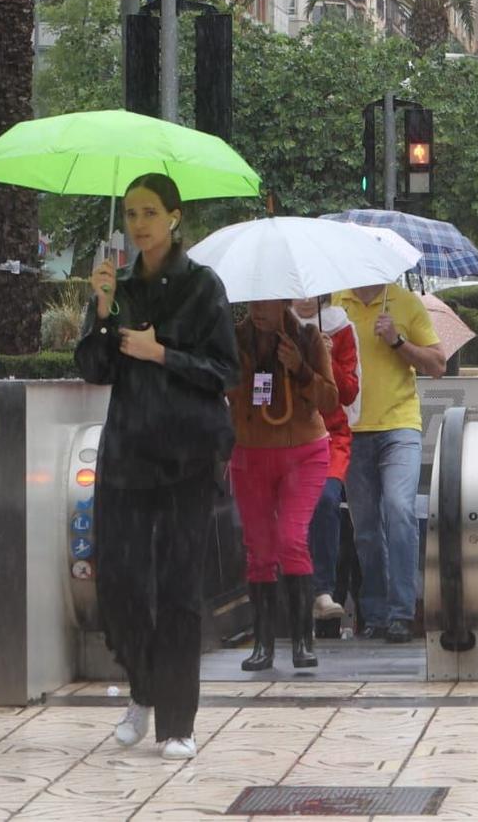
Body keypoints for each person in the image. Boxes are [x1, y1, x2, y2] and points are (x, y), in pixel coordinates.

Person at [76, 174, 236, 760]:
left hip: (185, 460)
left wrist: (160, 353)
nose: (138, 223)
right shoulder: (117, 288)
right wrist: (99, 310)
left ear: (173, 216)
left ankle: (176, 722)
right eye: (130, 213)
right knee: (115, 584)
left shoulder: (202, 287)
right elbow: (96, 368)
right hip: (125, 456)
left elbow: (225, 370)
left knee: (176, 590)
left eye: (149, 211)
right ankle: (144, 685)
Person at [229, 298, 338, 671]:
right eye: (253, 301)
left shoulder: (308, 338)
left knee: (291, 539)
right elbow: (221, 389)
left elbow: (330, 399)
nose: (259, 308)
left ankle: (303, 642)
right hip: (251, 455)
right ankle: (263, 645)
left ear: (285, 301)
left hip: (303, 453)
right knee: (259, 549)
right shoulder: (234, 339)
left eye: (267, 301)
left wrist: (301, 368)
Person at [339, 278, 446, 643]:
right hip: (352, 429)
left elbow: (437, 364)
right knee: (365, 528)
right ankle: (374, 613)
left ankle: (402, 612)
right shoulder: (336, 304)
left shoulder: (404, 302)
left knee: (400, 509)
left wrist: (397, 341)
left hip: (400, 426)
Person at [301, 297, 360, 628]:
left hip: (329, 436)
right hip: (284, 435)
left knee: (325, 500)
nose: (306, 297)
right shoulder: (272, 327)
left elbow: (350, 391)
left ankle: (322, 589)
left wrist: (328, 359)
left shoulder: (340, 327)